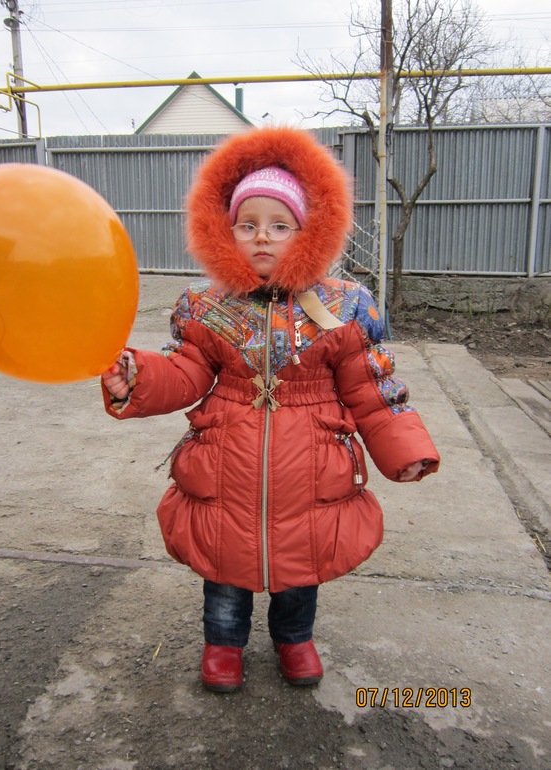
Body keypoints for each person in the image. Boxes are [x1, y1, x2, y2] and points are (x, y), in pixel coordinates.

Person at [101, 126, 440, 693]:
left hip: (310, 468)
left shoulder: (343, 306)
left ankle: (294, 639)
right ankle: (223, 647)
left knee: (299, 569)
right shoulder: (207, 307)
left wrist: (403, 449)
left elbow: (371, 387)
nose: (263, 237)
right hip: (225, 465)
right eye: (248, 225)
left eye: (280, 226)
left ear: (309, 232)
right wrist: (136, 377)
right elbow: (185, 371)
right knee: (224, 569)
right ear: (224, 231)